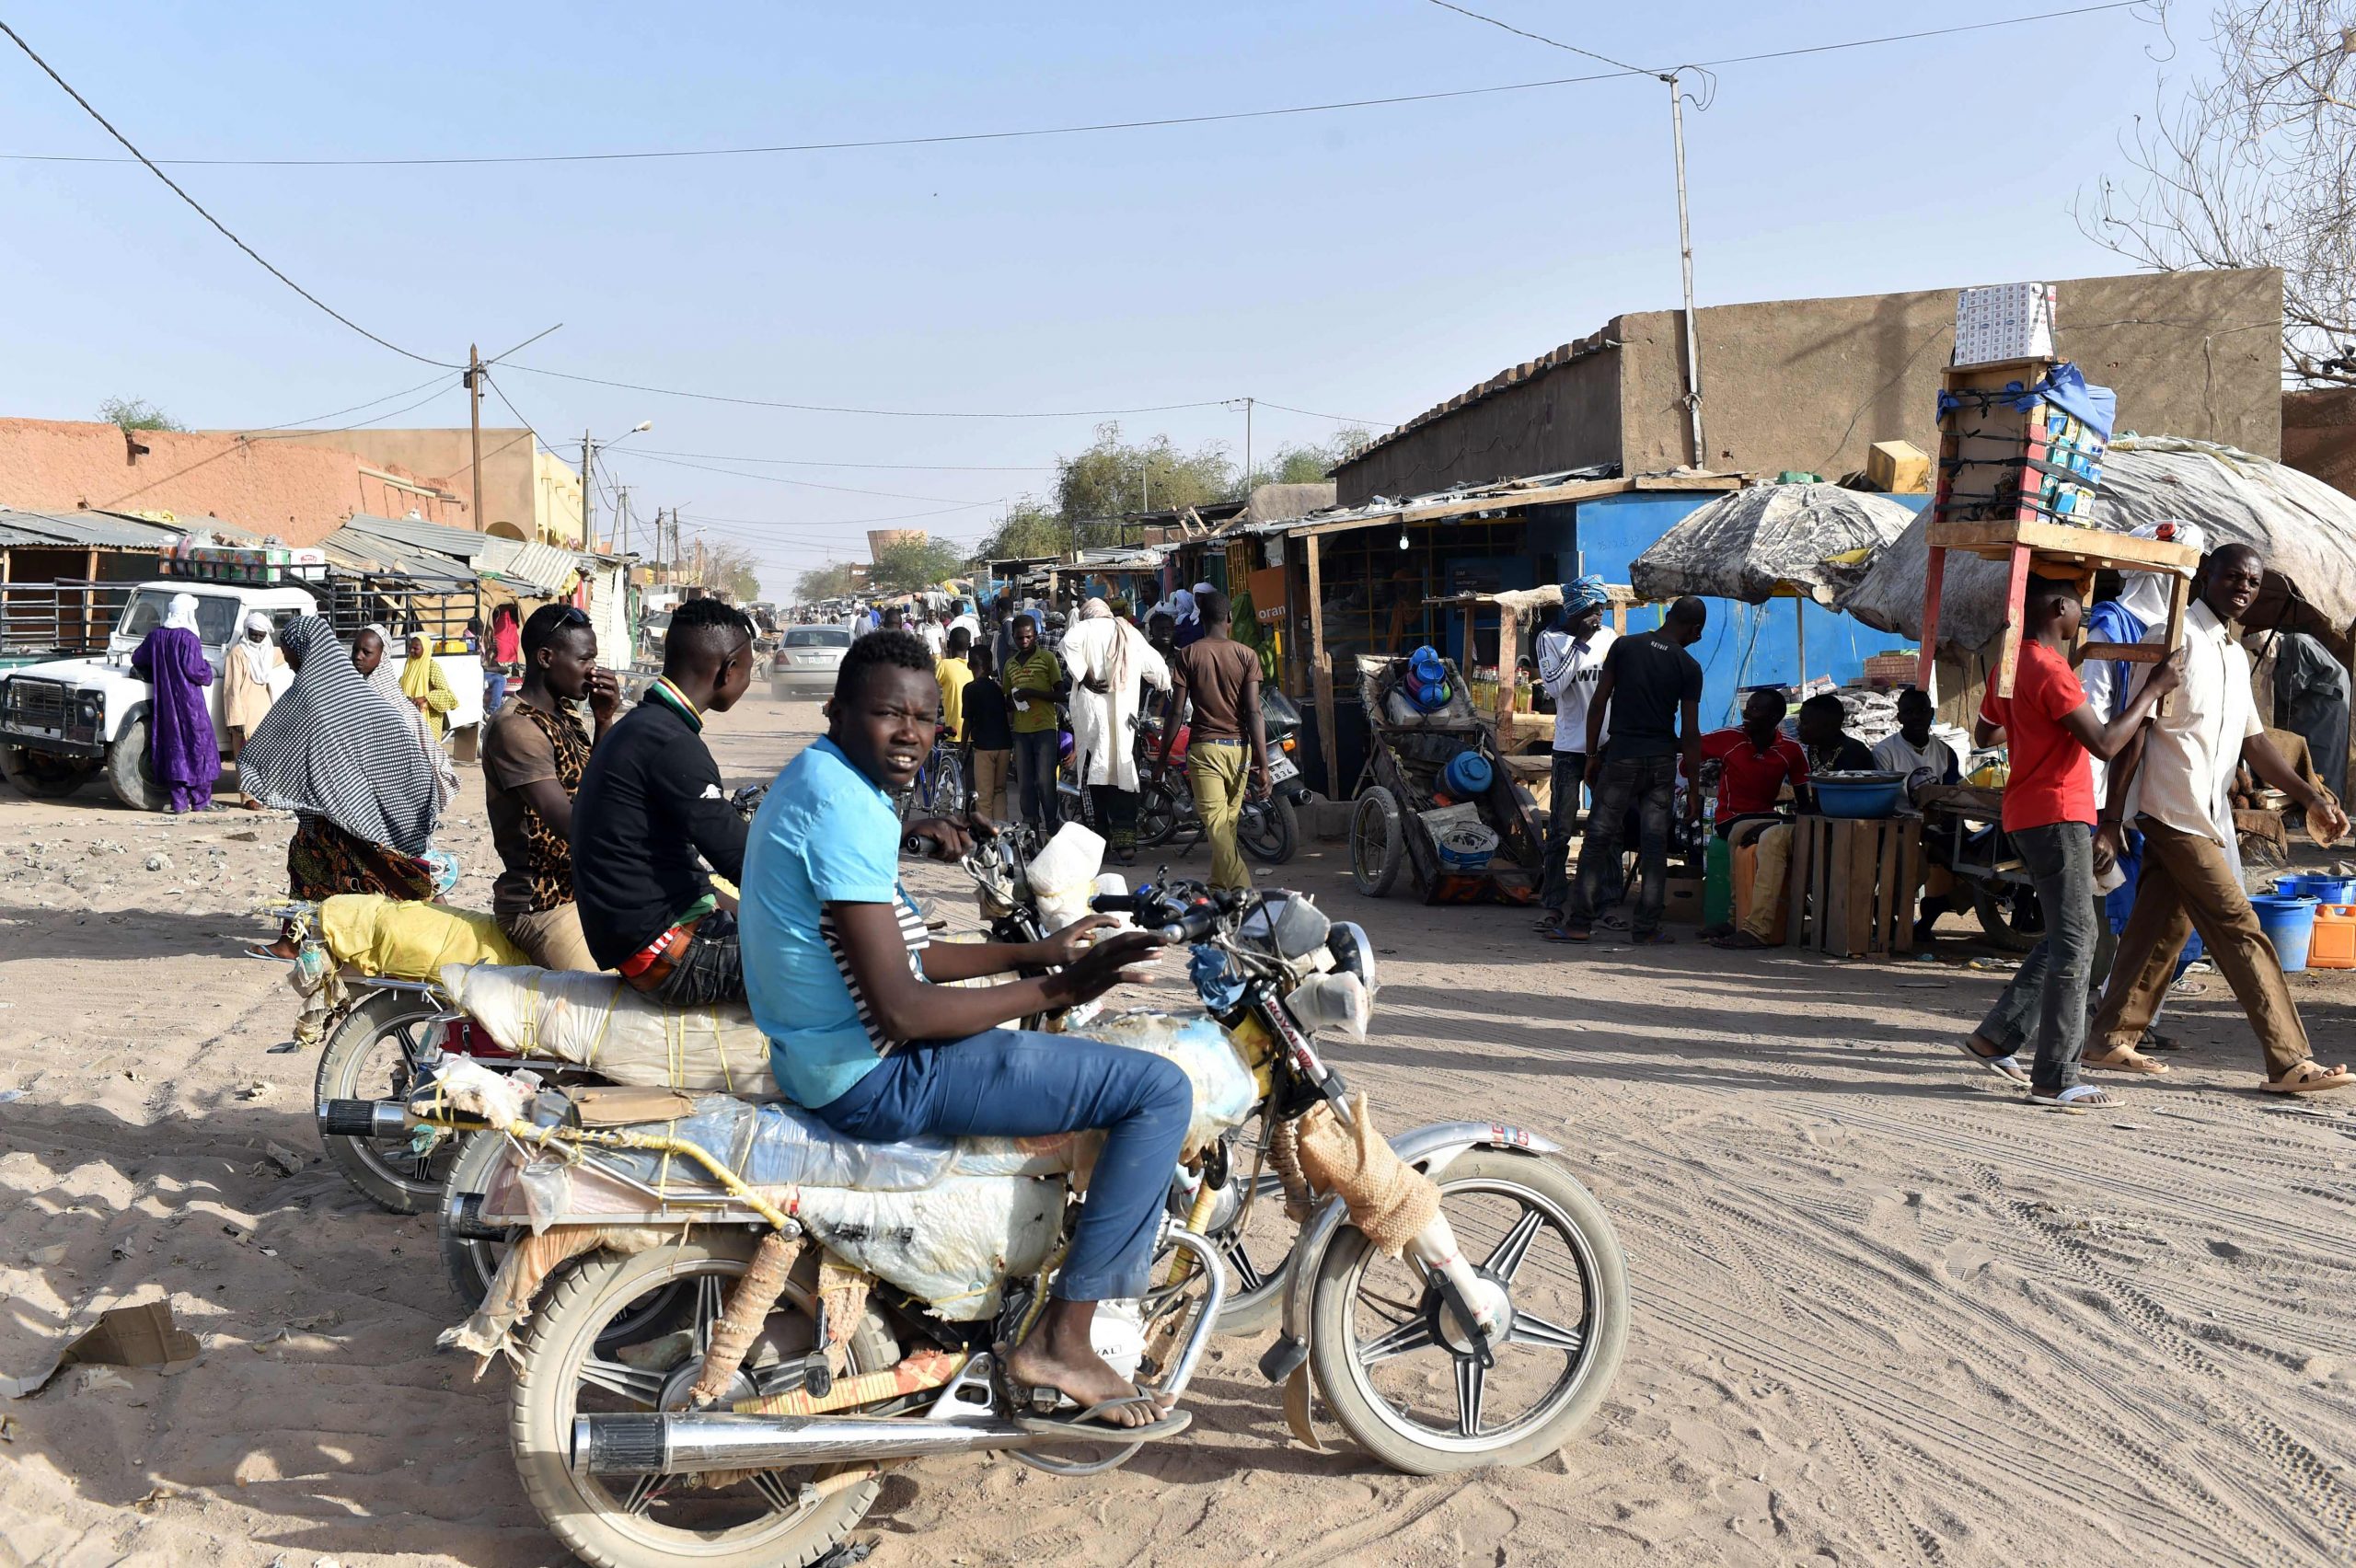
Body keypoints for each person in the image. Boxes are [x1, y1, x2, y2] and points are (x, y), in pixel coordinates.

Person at [739, 628, 1180, 1426]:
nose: (910, 733)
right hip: (873, 1076)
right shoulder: (844, 809)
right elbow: (903, 1006)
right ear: (836, 711)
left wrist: (1030, 951)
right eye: (887, 715)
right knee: (1156, 1088)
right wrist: (1058, 983)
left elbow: (909, 952)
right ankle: (1064, 1339)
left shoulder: (830, 782)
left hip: (831, 1056)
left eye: (926, 717)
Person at [2089, 543, 2354, 1093]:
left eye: (2252, 582)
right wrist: (2112, 818)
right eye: (2233, 576)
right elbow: (2136, 729)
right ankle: (2288, 1061)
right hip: (2170, 810)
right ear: (2205, 576)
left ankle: (2108, 1038)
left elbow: (2254, 743)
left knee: (2160, 926)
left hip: (2206, 815)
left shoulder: (2233, 654)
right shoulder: (2174, 636)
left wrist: (2311, 795)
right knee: (2241, 928)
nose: (2243, 588)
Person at [1957, 579, 2186, 1108]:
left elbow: (1985, 733)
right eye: (2077, 605)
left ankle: (1995, 1036)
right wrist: (2152, 689)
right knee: (2077, 943)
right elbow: (2106, 744)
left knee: (2070, 934)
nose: (2081, 616)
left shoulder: (2012, 664)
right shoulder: (2050, 669)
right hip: (2057, 813)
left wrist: (2033, 723)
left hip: (2028, 811)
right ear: (2059, 607)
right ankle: (2055, 1076)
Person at [572, 596, 757, 1005]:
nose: (747, 681)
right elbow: (744, 861)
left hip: (639, 940)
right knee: (843, 961)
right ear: (728, 670)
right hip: (669, 955)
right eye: (748, 670)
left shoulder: (643, 726)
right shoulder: (672, 743)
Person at [243, 616, 445, 956]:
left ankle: (424, 927)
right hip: (355, 808)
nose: (288, 660)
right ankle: (296, 942)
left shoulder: (310, 690)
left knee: (359, 874)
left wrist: (251, 773)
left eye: (290, 652)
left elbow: (270, 742)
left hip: (336, 813)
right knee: (345, 872)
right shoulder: (351, 688)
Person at [1553, 597, 1707, 946]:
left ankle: (1579, 923)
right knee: (1654, 844)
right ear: (1695, 629)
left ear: (1670, 616)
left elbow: (1599, 702)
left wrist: (1591, 754)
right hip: (1662, 763)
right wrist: (1694, 789)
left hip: (1621, 757)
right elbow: (1691, 733)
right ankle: (1647, 927)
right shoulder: (1688, 666)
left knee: (1598, 838)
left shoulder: (1625, 646)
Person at [480, 605, 622, 971]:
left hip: (585, 890)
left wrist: (604, 718)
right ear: (546, 657)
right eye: (585, 659)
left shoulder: (565, 714)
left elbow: (598, 786)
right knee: (601, 1007)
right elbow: (568, 823)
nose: (594, 669)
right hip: (543, 905)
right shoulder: (516, 728)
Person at [1158, 588, 1267, 892]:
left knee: (1218, 826)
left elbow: (1176, 712)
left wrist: (1163, 758)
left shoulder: (1189, 655)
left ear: (1202, 620)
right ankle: (1220, 888)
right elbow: (1254, 712)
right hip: (1240, 750)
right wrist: (1263, 764)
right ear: (1229, 618)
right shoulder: (1247, 655)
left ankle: (1244, 892)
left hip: (1205, 749)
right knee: (1225, 826)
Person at [1533, 577, 1618, 930]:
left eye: (1601, 610)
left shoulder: (1610, 638)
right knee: (1561, 829)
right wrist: (1580, 643)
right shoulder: (1549, 639)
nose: (1599, 616)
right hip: (1570, 747)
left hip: (1609, 746)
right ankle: (1554, 901)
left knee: (1608, 828)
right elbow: (1554, 685)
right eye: (1594, 609)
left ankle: (1606, 902)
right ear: (1577, 609)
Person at [1698, 687, 1810, 950]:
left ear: (1775, 717)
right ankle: (1738, 919)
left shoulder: (1791, 750)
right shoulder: (1729, 737)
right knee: (1740, 832)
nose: (1747, 713)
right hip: (1731, 817)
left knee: (1762, 835)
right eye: (1747, 707)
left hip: (1767, 817)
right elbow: (1690, 747)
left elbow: (1803, 795)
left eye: (1756, 709)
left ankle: (1743, 920)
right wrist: (1694, 788)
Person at [1064, 597, 1171, 864]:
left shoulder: (1084, 628)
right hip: (1125, 721)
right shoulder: (1128, 631)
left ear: (1088, 614)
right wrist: (1164, 685)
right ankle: (1126, 847)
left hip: (1092, 721)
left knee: (1096, 782)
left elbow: (1067, 644)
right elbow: (1158, 671)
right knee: (1124, 778)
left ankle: (1101, 842)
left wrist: (1085, 675)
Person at [129, 593, 218, 814]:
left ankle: (179, 802)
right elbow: (195, 671)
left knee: (174, 747)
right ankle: (201, 801)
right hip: (190, 703)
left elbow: (138, 658)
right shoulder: (188, 639)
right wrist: (209, 670)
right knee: (199, 746)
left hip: (166, 702)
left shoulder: (156, 636)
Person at [1002, 611, 1067, 831]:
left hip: (1045, 729)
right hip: (1021, 731)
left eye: (1028, 637)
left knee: (1045, 781)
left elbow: (1060, 694)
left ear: (1036, 634)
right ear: (1013, 637)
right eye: (1020, 638)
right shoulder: (1010, 665)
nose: (1024, 641)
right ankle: (1031, 829)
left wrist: (1032, 692)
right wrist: (1012, 701)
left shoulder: (1047, 659)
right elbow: (1007, 700)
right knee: (1025, 784)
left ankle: (1052, 827)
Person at [222, 610, 284, 810]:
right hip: (244, 715)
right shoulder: (238, 653)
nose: (257, 638)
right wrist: (235, 719)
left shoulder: (268, 653)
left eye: (261, 634)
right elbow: (231, 688)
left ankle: (265, 794)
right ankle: (247, 797)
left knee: (266, 758)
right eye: (253, 633)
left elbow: (289, 653)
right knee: (245, 758)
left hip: (265, 713)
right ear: (247, 631)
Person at [964, 642, 1014, 822]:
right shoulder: (998, 688)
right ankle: (1001, 833)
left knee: (984, 796)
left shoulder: (970, 689)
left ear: (970, 666)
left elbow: (968, 721)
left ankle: (987, 838)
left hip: (984, 747)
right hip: (1004, 745)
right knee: (999, 791)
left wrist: (962, 746)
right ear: (991, 666)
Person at [1796, 693, 1875, 776]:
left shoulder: (1854, 752)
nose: (1798, 728)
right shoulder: (1814, 750)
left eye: (1804, 723)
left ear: (1827, 725)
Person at [400, 633, 459, 743]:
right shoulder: (408, 666)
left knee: (429, 755)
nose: (412, 651)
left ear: (426, 649)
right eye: (410, 648)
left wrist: (424, 698)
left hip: (430, 722)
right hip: (409, 721)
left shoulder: (432, 667)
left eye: (416, 648)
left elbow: (448, 695)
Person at [934, 627, 975, 744]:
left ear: (948, 644)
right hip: (976, 734)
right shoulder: (976, 667)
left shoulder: (944, 665)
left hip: (954, 732)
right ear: (970, 646)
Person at [488, 603, 522, 714]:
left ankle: (494, 710)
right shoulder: (511, 625)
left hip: (502, 662)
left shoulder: (499, 624)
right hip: (508, 662)